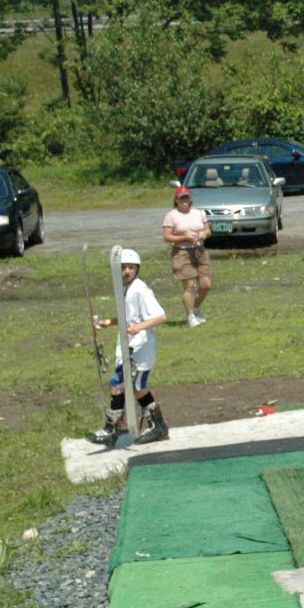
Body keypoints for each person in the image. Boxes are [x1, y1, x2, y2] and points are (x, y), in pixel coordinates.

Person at [86, 249, 170, 446]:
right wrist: (110, 322)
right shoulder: (125, 289)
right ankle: (122, 426)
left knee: (128, 386)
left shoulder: (140, 289)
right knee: (124, 386)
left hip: (142, 347)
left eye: (131, 267)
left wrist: (138, 327)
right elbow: (129, 317)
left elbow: (161, 316)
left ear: (137, 269)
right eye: (123, 268)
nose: (127, 271)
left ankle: (119, 427)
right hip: (129, 347)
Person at [163, 186, 212, 326]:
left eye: (186, 197)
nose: (184, 200)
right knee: (189, 286)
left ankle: (195, 307)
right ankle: (190, 316)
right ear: (176, 200)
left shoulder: (199, 213)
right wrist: (184, 238)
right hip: (182, 252)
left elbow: (208, 229)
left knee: (206, 284)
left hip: (199, 250)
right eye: (181, 198)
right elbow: (167, 236)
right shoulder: (172, 215)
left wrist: (204, 234)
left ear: (190, 199)